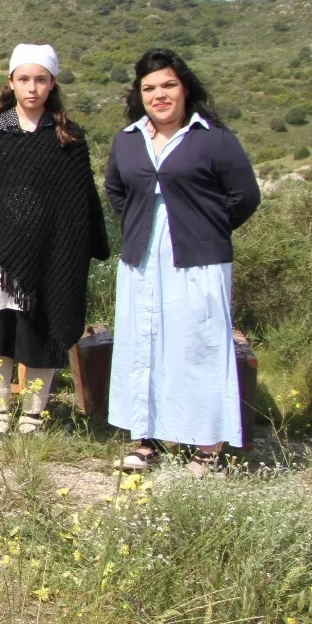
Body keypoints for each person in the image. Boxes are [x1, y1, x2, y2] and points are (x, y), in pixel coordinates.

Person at [105, 49, 259, 476]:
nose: (159, 95)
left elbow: (245, 196)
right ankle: (146, 440)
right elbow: (116, 190)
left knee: (198, 346)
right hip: (141, 258)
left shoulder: (213, 138)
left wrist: (206, 229)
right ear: (139, 95)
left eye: (168, 85)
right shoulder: (128, 139)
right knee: (144, 343)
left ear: (185, 88)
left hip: (198, 260)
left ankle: (207, 446)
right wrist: (141, 225)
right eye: (149, 88)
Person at [0, 44, 110, 445]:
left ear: (52, 84)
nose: (32, 87)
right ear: (11, 82)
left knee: (42, 334)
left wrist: (70, 255)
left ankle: (33, 419)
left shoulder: (68, 138)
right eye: (24, 79)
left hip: (51, 257)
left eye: (40, 79)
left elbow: (79, 204)